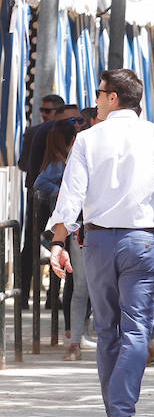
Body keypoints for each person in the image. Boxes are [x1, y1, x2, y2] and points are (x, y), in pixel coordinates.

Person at [46, 68, 154, 417]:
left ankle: (115, 410)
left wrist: (59, 242)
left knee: (107, 328)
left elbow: (71, 196)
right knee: (137, 329)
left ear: (113, 97)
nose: (95, 99)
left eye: (99, 92)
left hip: (96, 243)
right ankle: (122, 410)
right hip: (142, 242)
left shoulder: (88, 139)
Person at [20, 102, 81, 310]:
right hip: (44, 202)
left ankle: (51, 297)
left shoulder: (77, 137)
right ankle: (32, 296)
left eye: (78, 119)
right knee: (38, 245)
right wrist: (54, 191)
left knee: (53, 248)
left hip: (52, 203)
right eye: (73, 120)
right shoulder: (42, 133)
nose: (77, 124)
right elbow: (31, 169)